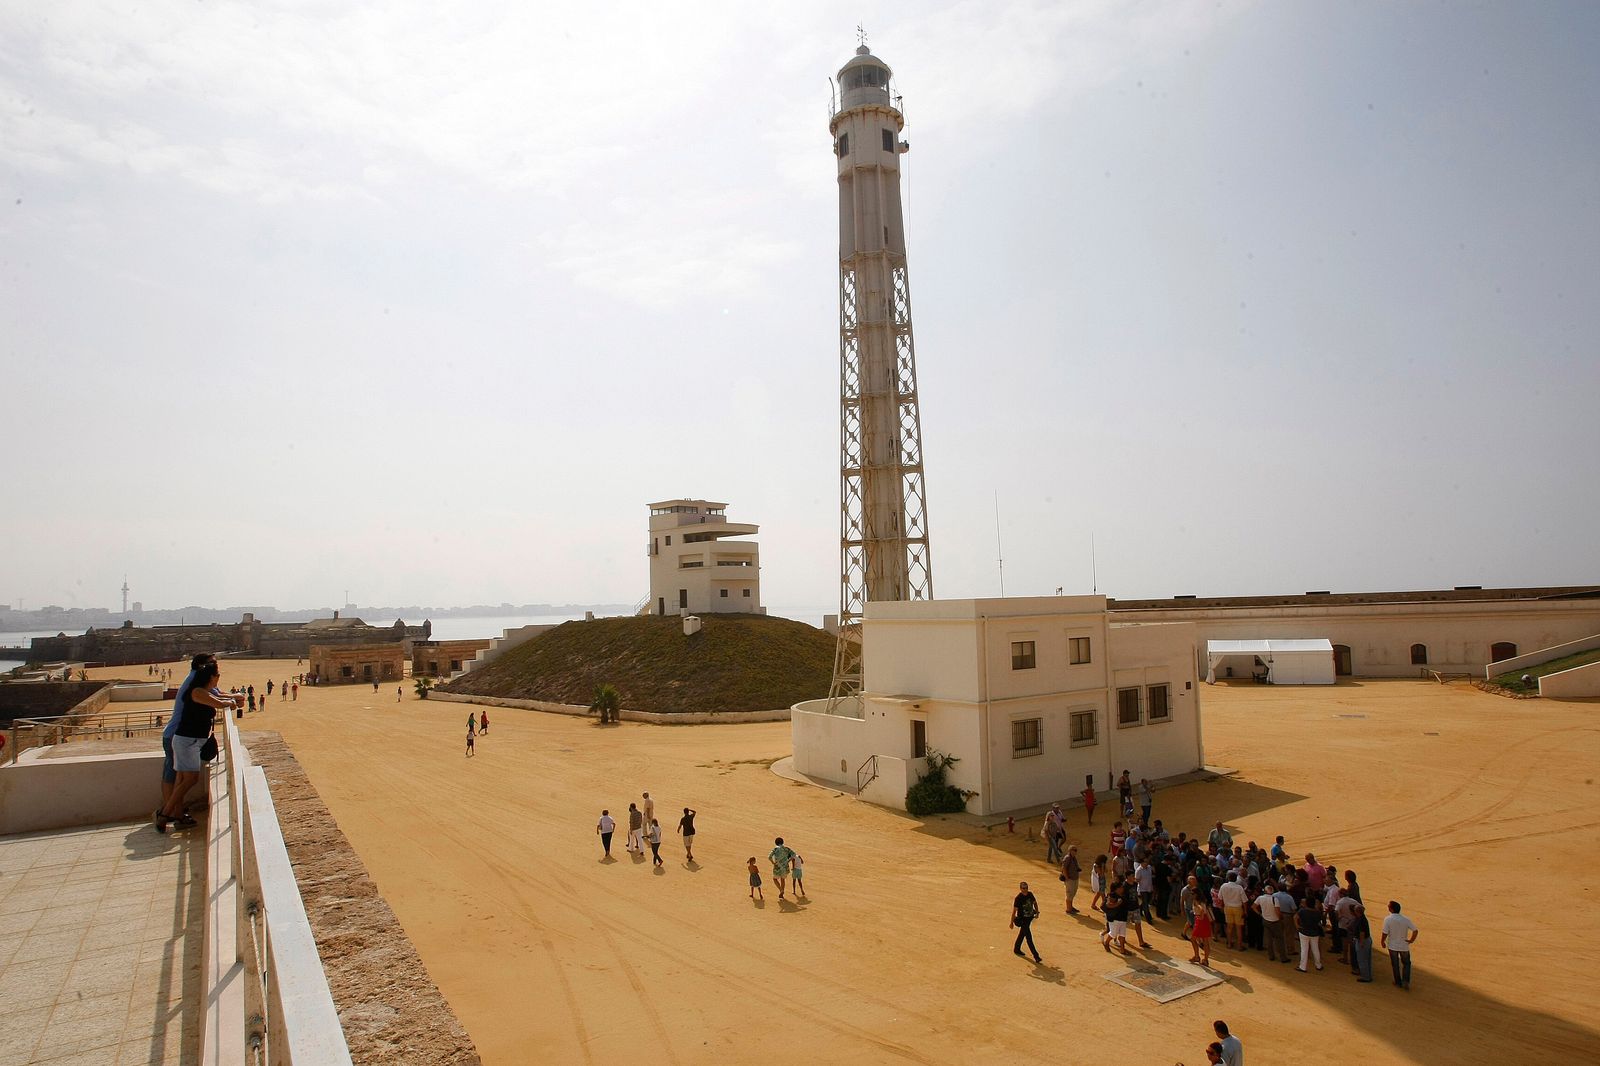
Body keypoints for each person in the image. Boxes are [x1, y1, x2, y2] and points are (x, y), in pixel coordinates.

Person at [158, 661, 230, 829]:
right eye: (217, 675)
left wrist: (231, 699)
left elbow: (217, 698)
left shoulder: (199, 690)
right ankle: (165, 813)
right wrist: (232, 703)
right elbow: (219, 703)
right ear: (211, 677)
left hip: (187, 740)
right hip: (187, 741)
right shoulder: (197, 691)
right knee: (190, 779)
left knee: (181, 779)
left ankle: (176, 814)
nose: (218, 678)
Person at [1381, 900, 1418, 988]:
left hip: (1392, 946)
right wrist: (1411, 940)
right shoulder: (1406, 919)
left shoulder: (1388, 919)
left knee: (1395, 964)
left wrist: (1382, 941)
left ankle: (1398, 982)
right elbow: (1415, 930)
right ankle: (1405, 982)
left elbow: (1385, 932)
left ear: (1391, 909)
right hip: (1403, 946)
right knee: (1406, 964)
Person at [1255, 880, 1289, 963]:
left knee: (1269, 939)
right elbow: (1278, 912)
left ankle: (1271, 955)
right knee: (1279, 939)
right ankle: (1283, 957)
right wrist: (1281, 919)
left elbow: (1253, 906)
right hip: (1275, 921)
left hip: (1265, 920)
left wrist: (1260, 914)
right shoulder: (1275, 899)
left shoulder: (1260, 898)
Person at [1011, 881, 1042, 962]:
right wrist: (1011, 922)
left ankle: (1016, 948)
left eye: (1026, 888)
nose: (1025, 890)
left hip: (1029, 918)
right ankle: (1036, 956)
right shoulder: (1018, 898)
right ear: (1020, 889)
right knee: (1029, 937)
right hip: (1023, 920)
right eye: (1023, 888)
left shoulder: (1030, 894)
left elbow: (1035, 903)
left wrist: (1037, 912)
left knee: (1022, 934)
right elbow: (1014, 911)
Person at [1219, 873, 1248, 950]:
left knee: (1229, 927)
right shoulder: (1239, 888)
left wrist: (1221, 906)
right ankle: (1239, 946)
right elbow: (1244, 901)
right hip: (1237, 908)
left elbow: (1220, 898)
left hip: (1227, 907)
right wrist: (1245, 910)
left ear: (1228, 878)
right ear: (1235, 879)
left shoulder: (1223, 886)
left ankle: (1229, 944)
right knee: (1238, 928)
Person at [1296, 896, 1324, 971]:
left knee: (1304, 949)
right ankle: (1318, 965)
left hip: (1304, 931)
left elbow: (1295, 917)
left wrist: (1297, 926)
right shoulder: (1317, 912)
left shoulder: (1302, 911)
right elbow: (1320, 921)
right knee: (1315, 949)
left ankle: (1303, 966)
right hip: (1314, 932)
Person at [1350, 903, 1375, 982]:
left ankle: (1366, 977)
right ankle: (1368, 975)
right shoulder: (1362, 918)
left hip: (1363, 941)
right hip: (1366, 940)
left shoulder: (1360, 920)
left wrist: (1361, 942)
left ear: (1357, 911)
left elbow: (1362, 933)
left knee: (1362, 959)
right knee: (1366, 959)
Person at [1189, 897, 1213, 965]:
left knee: (1193, 939)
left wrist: (1200, 916)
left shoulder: (1196, 901)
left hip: (1200, 921)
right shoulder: (1203, 900)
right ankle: (1205, 959)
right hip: (1205, 920)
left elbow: (1201, 909)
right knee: (1205, 940)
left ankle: (1197, 956)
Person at [1061, 845, 1082, 914]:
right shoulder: (1067, 858)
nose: (1075, 852)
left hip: (1074, 878)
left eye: (1076, 850)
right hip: (1070, 879)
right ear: (1070, 851)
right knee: (1069, 894)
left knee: (1072, 893)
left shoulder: (1073, 858)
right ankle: (1068, 909)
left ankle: (1071, 907)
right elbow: (1064, 868)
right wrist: (1067, 878)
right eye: (1074, 850)